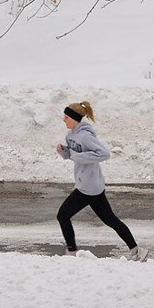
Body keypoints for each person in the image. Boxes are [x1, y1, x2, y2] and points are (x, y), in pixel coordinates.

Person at [56, 101, 148, 261]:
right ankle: (137, 251)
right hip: (88, 185)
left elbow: (104, 153)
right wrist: (65, 152)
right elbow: (73, 154)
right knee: (110, 220)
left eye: (66, 117)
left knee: (63, 215)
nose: (64, 120)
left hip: (88, 186)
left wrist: (78, 156)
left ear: (75, 119)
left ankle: (71, 252)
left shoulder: (85, 135)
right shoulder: (70, 135)